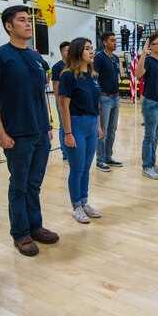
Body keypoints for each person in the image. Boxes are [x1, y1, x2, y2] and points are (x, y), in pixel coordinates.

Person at [0, 5, 59, 257]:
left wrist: (47, 125)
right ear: (9, 26)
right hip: (16, 134)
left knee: (34, 184)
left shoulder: (37, 59)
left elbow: (41, 95)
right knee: (19, 185)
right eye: (22, 20)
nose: (28, 24)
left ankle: (35, 226)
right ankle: (21, 233)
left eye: (29, 20)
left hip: (40, 132)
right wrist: (0, 133)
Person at [58, 38, 104, 223]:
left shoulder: (93, 76)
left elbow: (97, 104)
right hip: (76, 124)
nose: (91, 51)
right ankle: (76, 206)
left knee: (86, 169)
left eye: (92, 48)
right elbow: (63, 107)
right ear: (78, 52)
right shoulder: (68, 75)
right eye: (87, 48)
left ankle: (84, 203)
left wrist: (98, 125)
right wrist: (68, 134)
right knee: (76, 170)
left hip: (92, 124)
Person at [135, 33, 158, 180]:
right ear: (151, 47)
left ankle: (152, 164)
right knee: (149, 137)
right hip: (150, 105)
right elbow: (137, 73)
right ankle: (146, 167)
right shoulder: (148, 61)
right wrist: (143, 53)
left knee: (156, 137)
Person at [94, 31, 123, 171]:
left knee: (112, 130)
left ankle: (108, 157)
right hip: (104, 98)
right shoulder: (99, 57)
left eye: (115, 40)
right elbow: (95, 78)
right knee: (103, 131)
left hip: (115, 98)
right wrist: (98, 97)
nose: (115, 42)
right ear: (104, 42)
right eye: (112, 40)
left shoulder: (116, 59)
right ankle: (100, 160)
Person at [52, 41, 71, 163]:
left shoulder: (74, 65)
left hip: (72, 101)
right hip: (62, 102)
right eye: (67, 50)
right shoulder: (57, 67)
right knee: (63, 127)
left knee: (71, 126)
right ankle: (65, 154)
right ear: (61, 52)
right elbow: (55, 86)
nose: (69, 53)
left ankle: (71, 150)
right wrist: (60, 104)